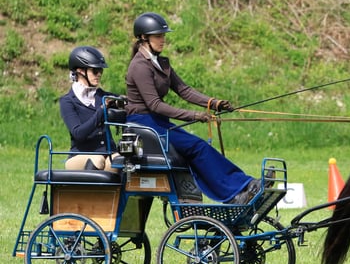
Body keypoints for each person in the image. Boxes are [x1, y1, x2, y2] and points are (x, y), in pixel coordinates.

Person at [125, 11, 259, 204]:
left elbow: (184, 90)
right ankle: (236, 192)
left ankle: (241, 187)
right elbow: (154, 104)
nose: (163, 40)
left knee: (198, 147)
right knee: (198, 146)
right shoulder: (139, 66)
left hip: (158, 123)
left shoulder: (161, 63)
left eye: (163, 36)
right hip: (144, 124)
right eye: (158, 36)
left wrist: (213, 103)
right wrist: (193, 115)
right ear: (144, 38)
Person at [60, 46, 123, 172]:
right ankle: (86, 191)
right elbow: (78, 134)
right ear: (80, 71)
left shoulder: (101, 95)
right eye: (95, 71)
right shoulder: (67, 101)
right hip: (80, 155)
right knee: (97, 159)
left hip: (108, 154)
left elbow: (124, 102)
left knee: (120, 161)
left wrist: (123, 103)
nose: (99, 74)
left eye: (100, 70)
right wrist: (101, 111)